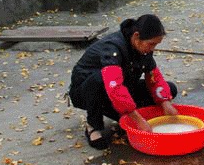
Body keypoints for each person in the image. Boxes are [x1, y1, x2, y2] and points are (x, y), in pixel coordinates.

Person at [69, 14, 178, 150]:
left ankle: (126, 113)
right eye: (151, 44)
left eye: (156, 44)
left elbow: (153, 77)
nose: (152, 49)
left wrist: (165, 102)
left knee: (170, 89)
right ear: (136, 36)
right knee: (99, 79)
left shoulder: (143, 49)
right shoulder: (113, 47)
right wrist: (138, 119)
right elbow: (114, 87)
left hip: (122, 86)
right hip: (88, 92)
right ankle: (93, 125)